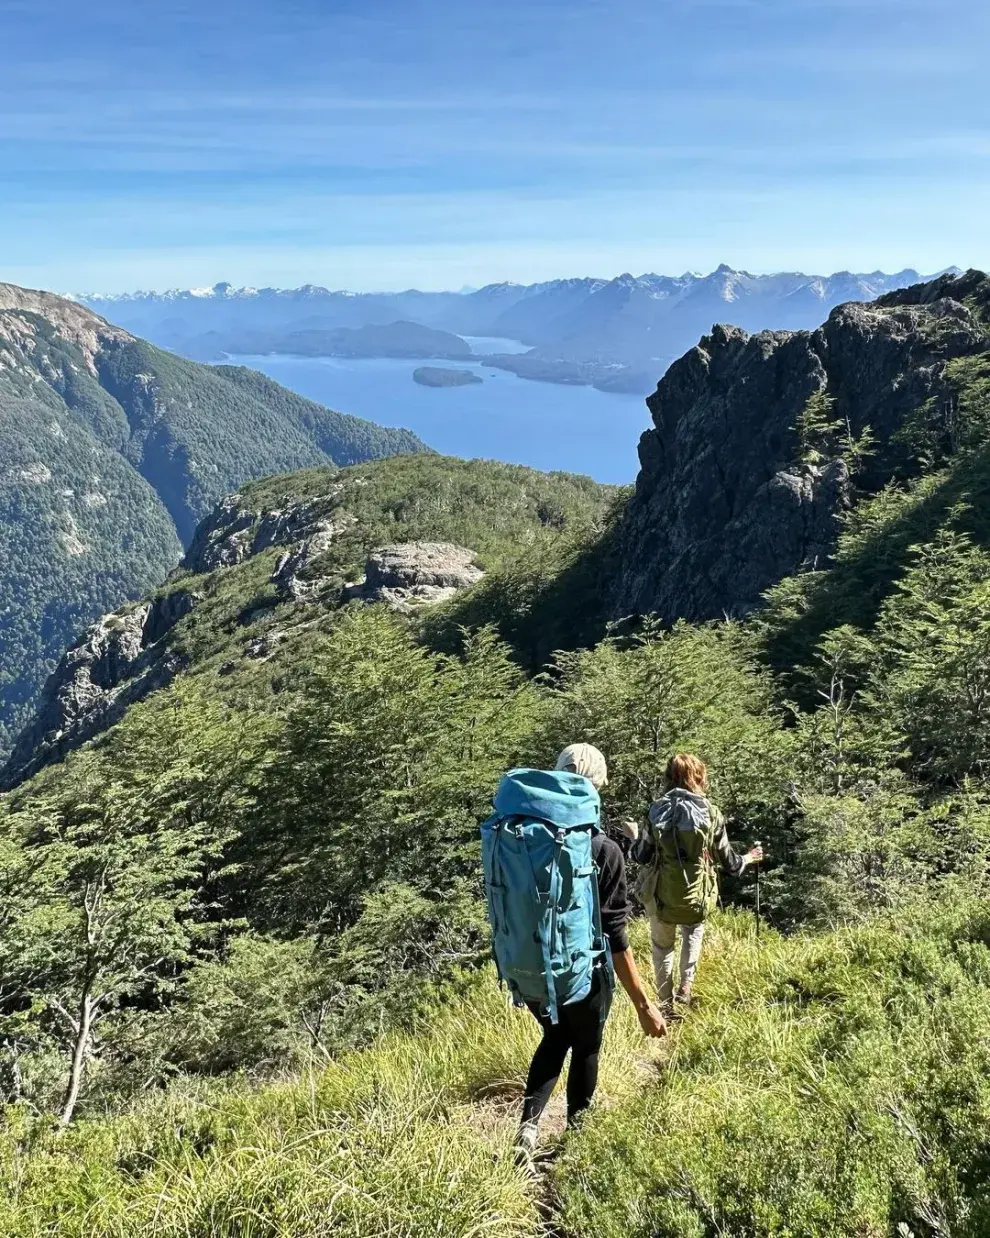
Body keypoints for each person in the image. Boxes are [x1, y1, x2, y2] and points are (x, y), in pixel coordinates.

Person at [482, 743, 666, 1167]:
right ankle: (577, 1136)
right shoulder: (605, 851)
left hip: (527, 971)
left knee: (554, 1035)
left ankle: (528, 1128)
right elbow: (616, 936)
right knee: (585, 1045)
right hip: (580, 974)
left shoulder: (520, 839)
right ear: (598, 787)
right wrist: (643, 1005)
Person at [625, 752, 762, 1012]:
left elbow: (640, 855)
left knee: (662, 947)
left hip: (662, 895)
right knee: (693, 933)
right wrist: (749, 858)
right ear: (699, 777)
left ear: (668, 777)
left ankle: (665, 1006)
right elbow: (730, 863)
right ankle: (686, 986)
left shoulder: (656, 811)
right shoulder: (711, 813)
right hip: (697, 894)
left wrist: (633, 836)